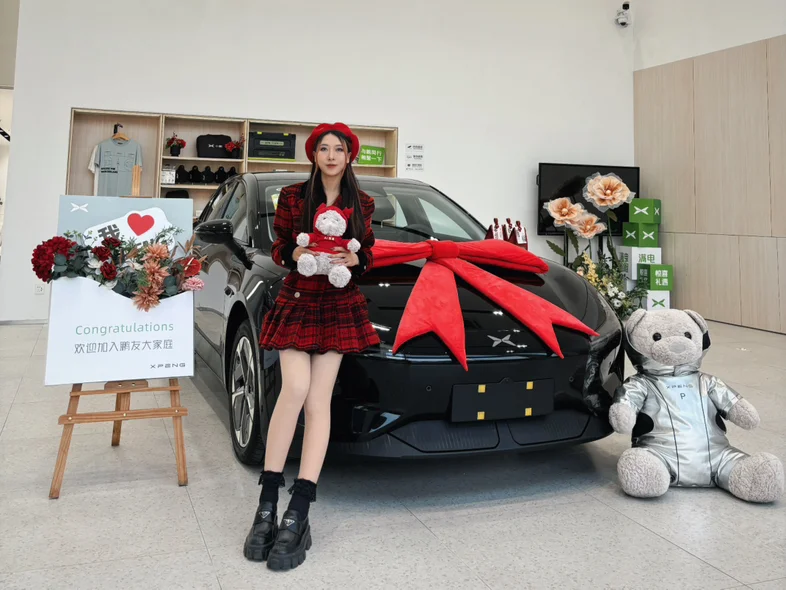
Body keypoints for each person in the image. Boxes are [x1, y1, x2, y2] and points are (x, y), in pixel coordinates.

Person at [243, 122, 380, 571]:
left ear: (349, 155)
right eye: (324, 148)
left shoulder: (363, 203)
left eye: (339, 148)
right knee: (295, 389)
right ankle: (267, 502)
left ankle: (298, 511)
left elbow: (368, 252)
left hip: (339, 303)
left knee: (319, 401)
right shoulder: (292, 197)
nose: (331, 155)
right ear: (314, 155)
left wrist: (356, 259)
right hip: (299, 300)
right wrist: (295, 255)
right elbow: (279, 247)